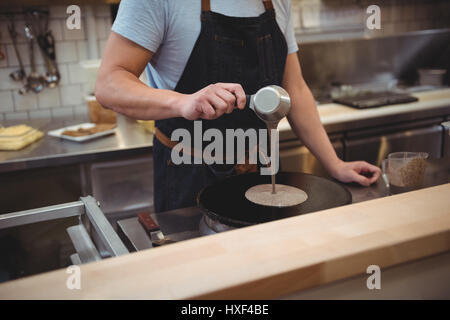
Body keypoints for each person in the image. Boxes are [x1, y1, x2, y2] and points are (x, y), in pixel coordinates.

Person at [95, 0, 381, 213]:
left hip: (261, 169)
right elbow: (109, 84)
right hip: (189, 173)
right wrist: (184, 102)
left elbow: (294, 88)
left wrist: (334, 164)